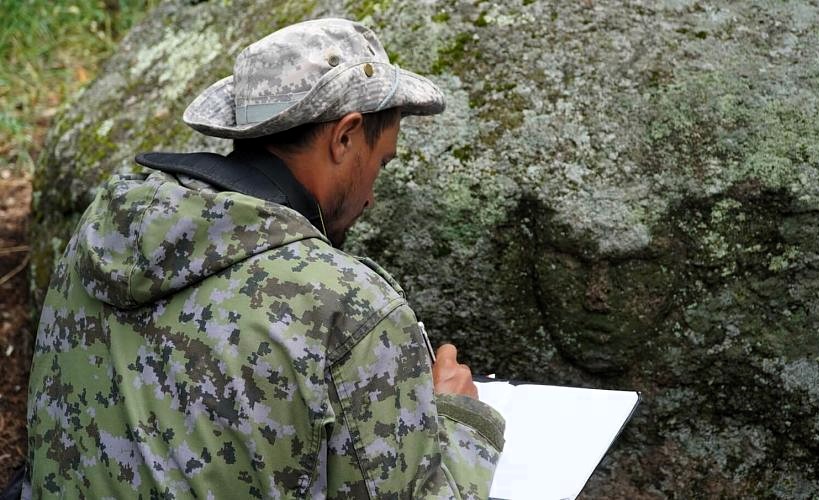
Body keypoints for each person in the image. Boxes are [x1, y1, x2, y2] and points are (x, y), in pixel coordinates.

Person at [25, 18, 504, 499]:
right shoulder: (350, 308)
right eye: (381, 163)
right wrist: (457, 420)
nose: (372, 198)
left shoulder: (101, 233)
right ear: (345, 137)